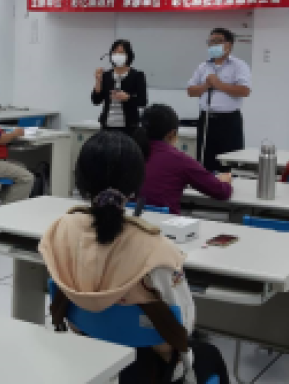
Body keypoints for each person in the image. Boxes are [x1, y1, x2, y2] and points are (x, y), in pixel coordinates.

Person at [40, 131, 229, 384]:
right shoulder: (157, 250)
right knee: (211, 354)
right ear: (137, 182)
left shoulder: (59, 229)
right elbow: (184, 324)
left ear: (80, 179)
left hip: (88, 352)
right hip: (147, 369)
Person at [137, 104, 233, 214]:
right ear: (172, 133)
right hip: (163, 222)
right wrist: (225, 182)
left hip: (131, 219)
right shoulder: (178, 159)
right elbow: (221, 192)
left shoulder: (131, 151)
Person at [186, 28, 251, 172]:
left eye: (218, 41)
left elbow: (244, 90)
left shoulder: (239, 66)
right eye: (211, 42)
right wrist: (206, 85)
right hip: (206, 119)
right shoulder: (203, 66)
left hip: (229, 121)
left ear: (229, 44)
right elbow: (190, 91)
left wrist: (218, 84)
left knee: (230, 163)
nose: (213, 44)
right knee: (205, 162)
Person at [92, 39, 147, 135]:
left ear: (128, 55)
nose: (117, 55)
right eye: (115, 52)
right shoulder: (106, 75)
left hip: (129, 127)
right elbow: (96, 100)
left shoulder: (137, 75)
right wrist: (98, 81)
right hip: (107, 126)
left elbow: (143, 101)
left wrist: (128, 97)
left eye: (121, 53)